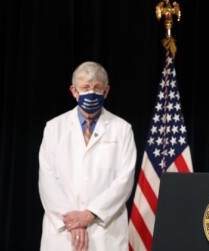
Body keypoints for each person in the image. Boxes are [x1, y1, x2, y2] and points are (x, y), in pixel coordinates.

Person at [38, 61, 137, 251]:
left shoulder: (122, 129)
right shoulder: (54, 128)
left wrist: (90, 214)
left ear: (106, 91)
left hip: (105, 233)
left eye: (97, 88)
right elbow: (47, 180)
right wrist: (73, 222)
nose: (91, 92)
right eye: (85, 87)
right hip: (63, 232)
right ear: (74, 91)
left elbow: (124, 181)